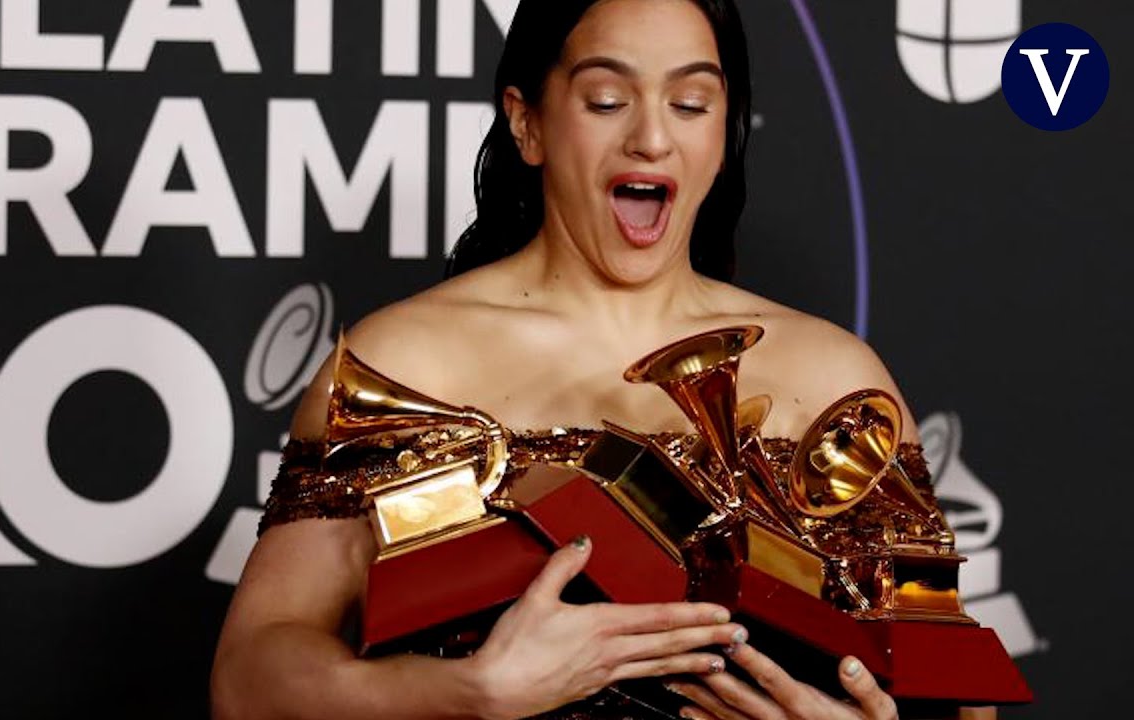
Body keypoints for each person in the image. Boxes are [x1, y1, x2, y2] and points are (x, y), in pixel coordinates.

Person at [211, 1, 992, 718]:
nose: (653, 136)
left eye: (691, 103)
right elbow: (248, 680)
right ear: (528, 124)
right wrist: (467, 690)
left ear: (726, 133)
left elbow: (957, 682)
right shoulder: (402, 364)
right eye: (607, 100)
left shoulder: (836, 378)